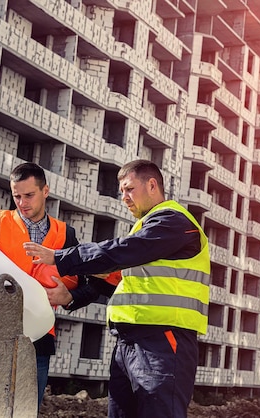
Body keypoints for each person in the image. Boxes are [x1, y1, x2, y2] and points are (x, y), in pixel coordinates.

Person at [23, 159, 210, 418]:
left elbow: (121, 251)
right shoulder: (147, 228)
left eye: (129, 189)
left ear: (152, 185)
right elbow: (116, 280)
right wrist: (71, 297)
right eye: (121, 191)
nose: (124, 197)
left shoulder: (174, 222)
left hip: (163, 340)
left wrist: (61, 257)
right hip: (129, 343)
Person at [0, 162, 100, 407]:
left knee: (27, 409)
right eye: (17, 196)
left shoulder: (66, 234)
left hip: (40, 338)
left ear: (45, 191)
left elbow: (92, 283)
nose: (22, 203)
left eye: (29, 195)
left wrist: (69, 297)